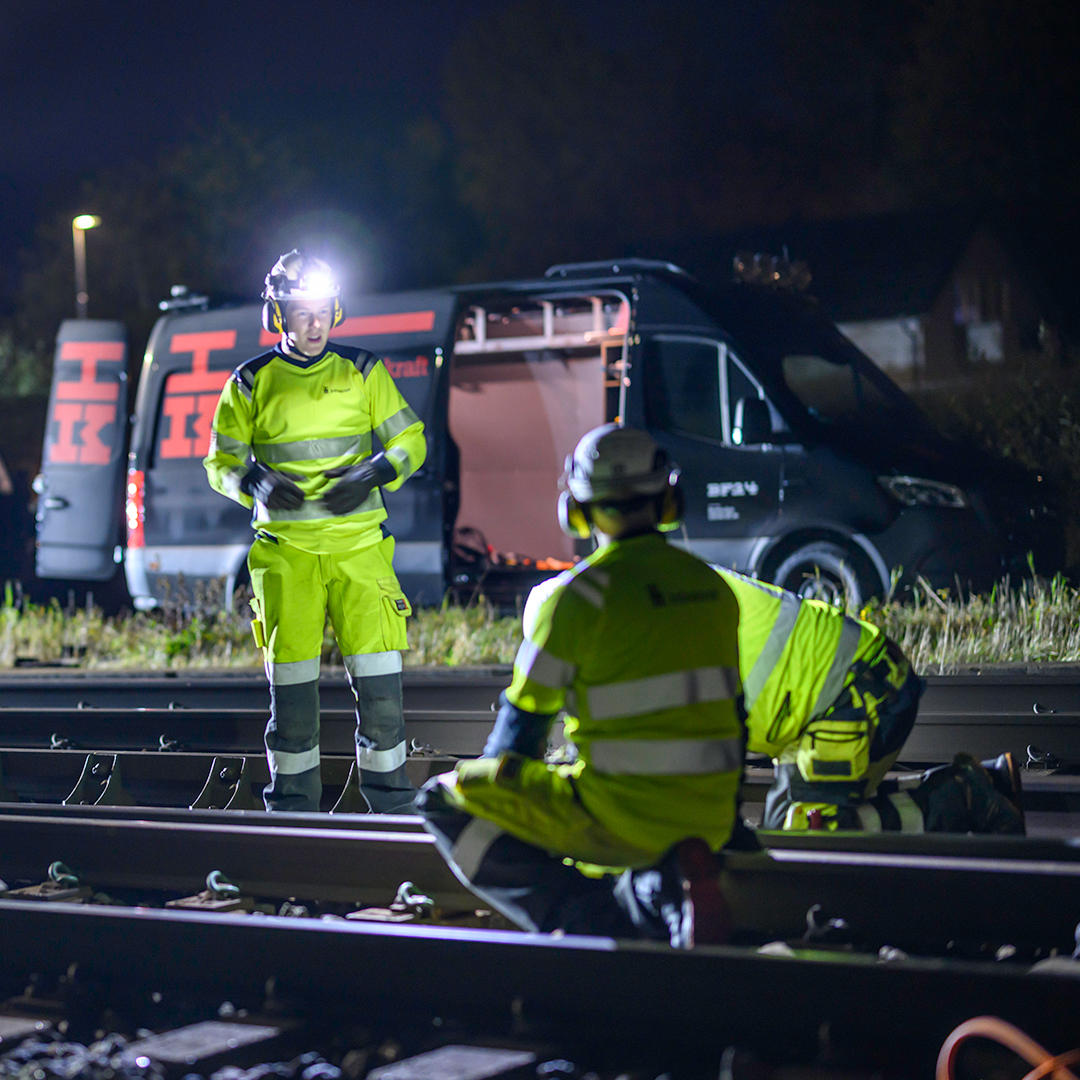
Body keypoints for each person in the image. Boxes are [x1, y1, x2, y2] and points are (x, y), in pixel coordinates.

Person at [418, 424, 746, 947]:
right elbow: (735, 718)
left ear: (576, 509)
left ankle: (604, 923)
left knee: (442, 799)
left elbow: (517, 735)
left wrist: (510, 786)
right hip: (712, 820)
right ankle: (661, 888)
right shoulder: (715, 590)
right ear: (668, 500)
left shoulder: (577, 600)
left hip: (617, 821)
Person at [204, 250, 426, 812]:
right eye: (301, 311)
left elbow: (411, 441)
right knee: (293, 697)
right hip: (287, 556)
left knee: (381, 691)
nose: (314, 323)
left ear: (336, 310)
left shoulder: (363, 370)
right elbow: (220, 462)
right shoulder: (250, 381)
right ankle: (293, 809)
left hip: (360, 552)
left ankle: (391, 806)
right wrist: (253, 481)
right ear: (277, 314)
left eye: (323, 310)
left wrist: (375, 472)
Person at [715, 567, 1024, 834]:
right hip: (853, 687)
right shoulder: (695, 584)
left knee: (805, 832)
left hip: (850, 698)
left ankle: (964, 799)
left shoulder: (687, 608)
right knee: (777, 830)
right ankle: (979, 783)